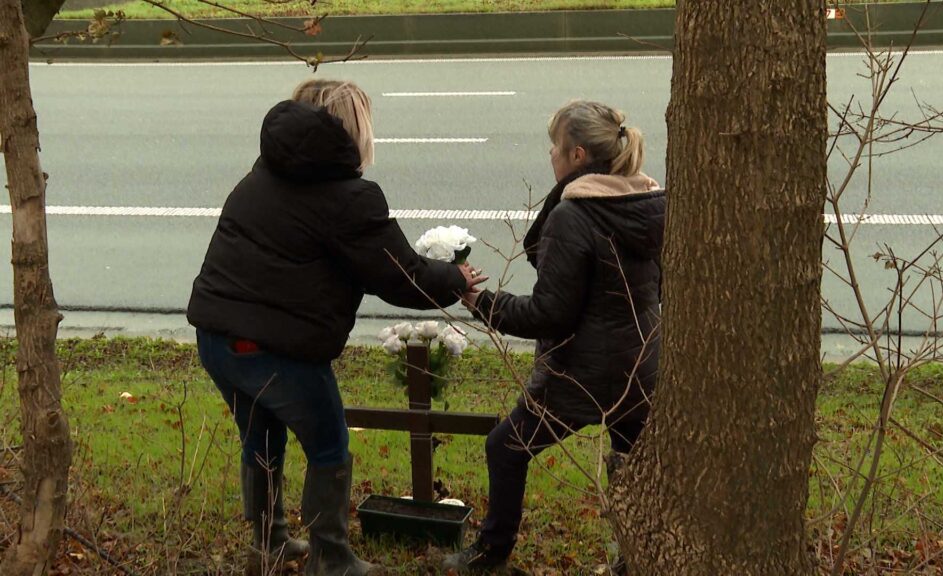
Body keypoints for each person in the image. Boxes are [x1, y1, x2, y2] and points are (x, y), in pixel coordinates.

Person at [187, 79, 487, 576]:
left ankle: (269, 544)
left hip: (218, 338)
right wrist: (454, 277)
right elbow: (398, 274)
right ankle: (330, 557)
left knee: (261, 440)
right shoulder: (350, 197)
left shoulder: (263, 172)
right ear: (354, 131)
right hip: (281, 351)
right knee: (329, 447)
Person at [443, 100, 665, 575]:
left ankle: (491, 554)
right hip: (642, 362)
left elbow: (549, 314)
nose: (551, 156)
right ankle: (636, 560)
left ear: (579, 156)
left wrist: (482, 303)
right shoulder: (649, 202)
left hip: (584, 372)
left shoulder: (576, 215)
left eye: (555, 148)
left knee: (505, 447)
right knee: (629, 463)